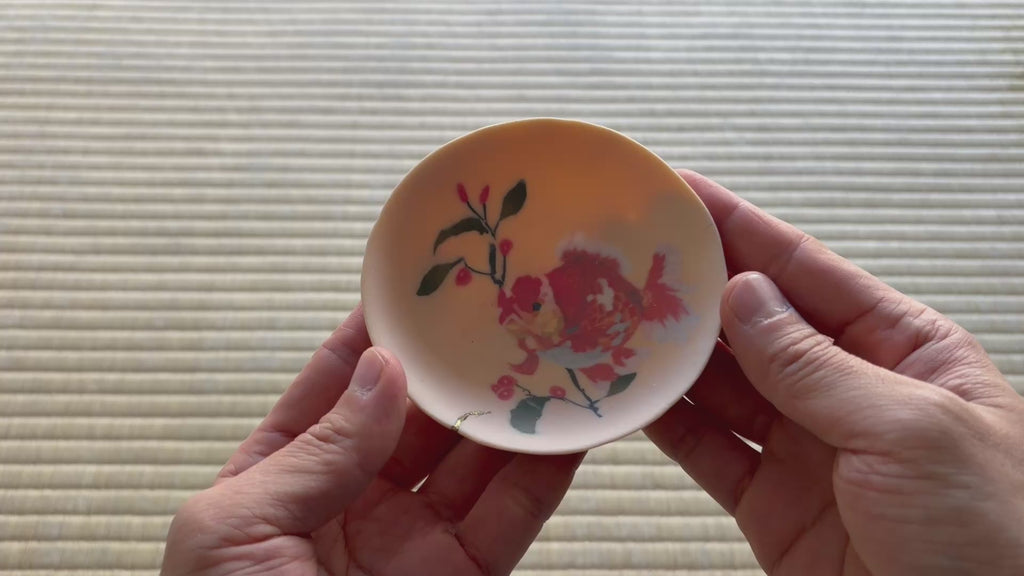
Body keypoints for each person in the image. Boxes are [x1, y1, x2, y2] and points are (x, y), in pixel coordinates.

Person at [161, 172, 1024, 576]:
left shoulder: (590, 314)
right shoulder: (534, 314)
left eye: (530, 305)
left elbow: (578, 332)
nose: (525, 312)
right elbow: (538, 336)